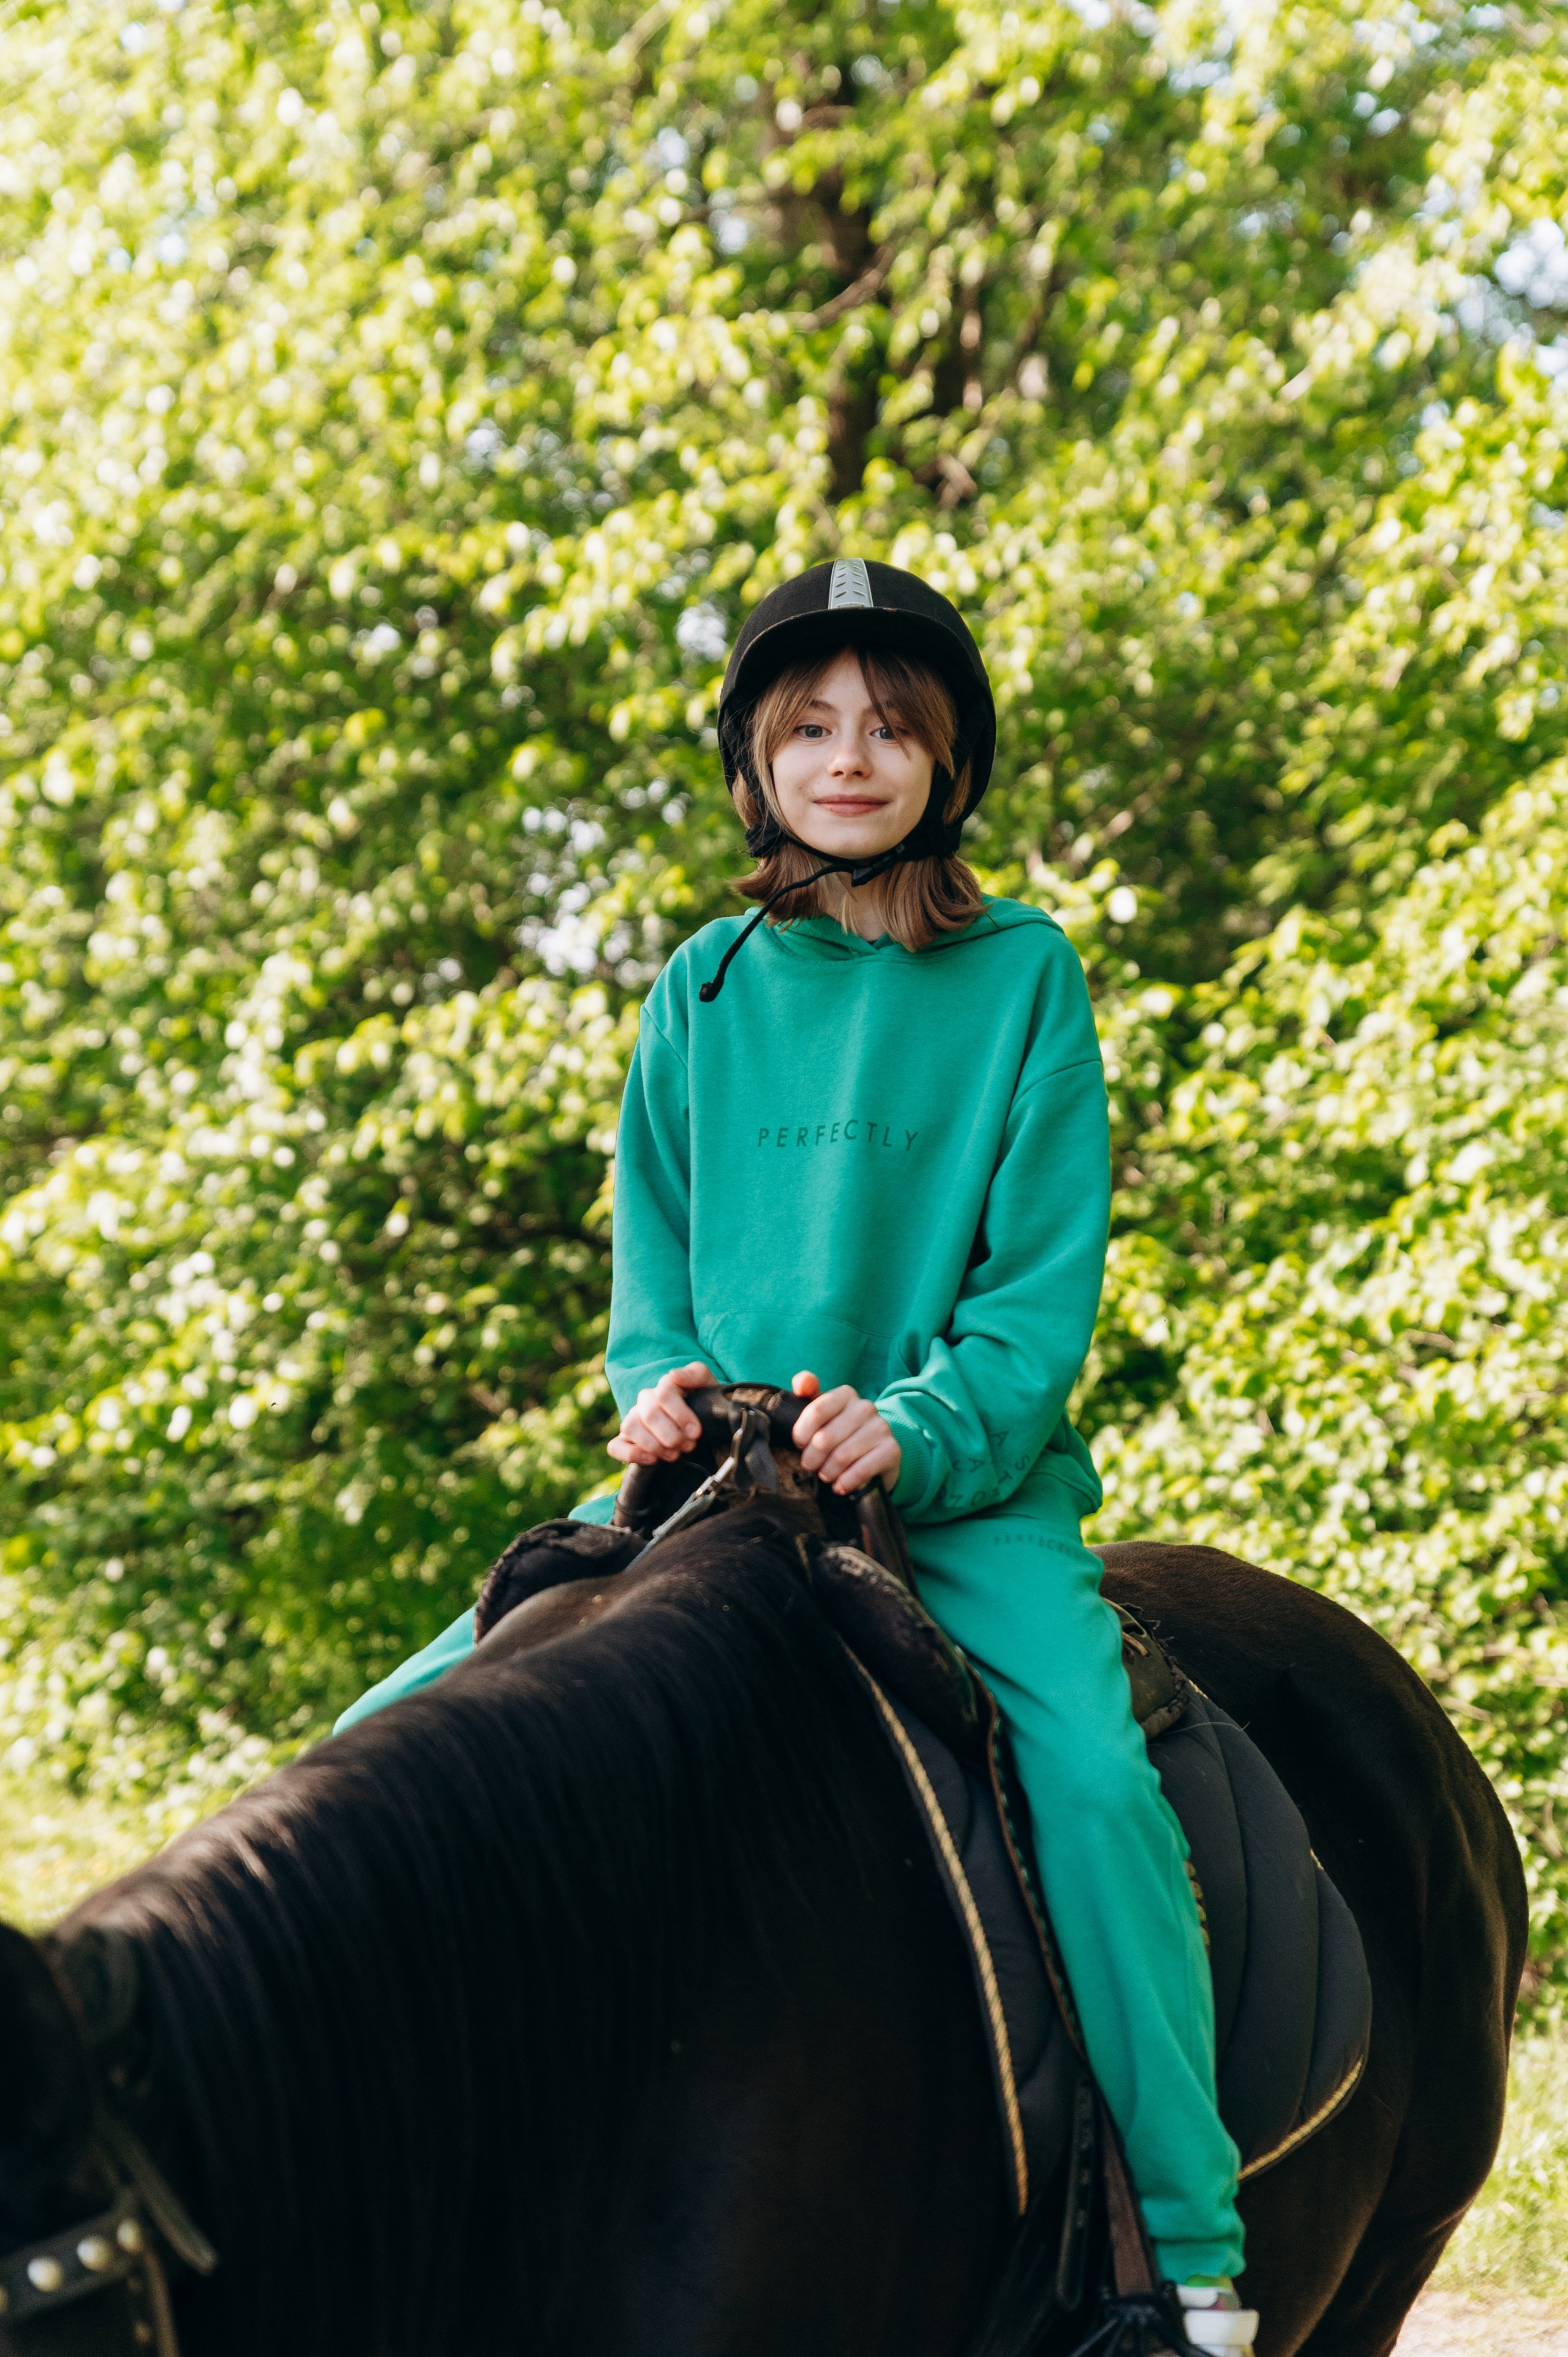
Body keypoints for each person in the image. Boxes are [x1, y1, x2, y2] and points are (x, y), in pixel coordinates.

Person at [337, 560, 1255, 2355]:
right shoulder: (697, 986)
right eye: (811, 727)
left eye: (891, 728)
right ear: (759, 770)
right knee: (383, 1747)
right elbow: (652, 1272)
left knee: (1090, 1787)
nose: (852, 756)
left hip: (953, 1500)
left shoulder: (1024, 979)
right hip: (712, 1493)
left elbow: (1032, 1304)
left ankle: (1192, 2261)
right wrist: (659, 1386)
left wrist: (911, 1428)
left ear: (945, 764)